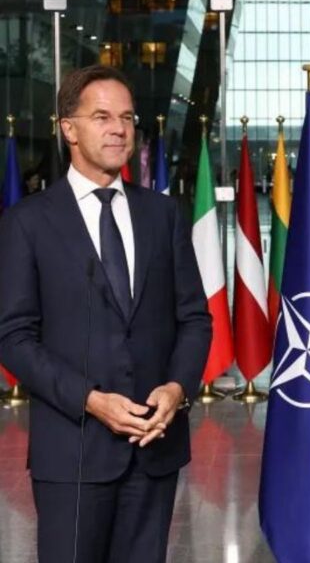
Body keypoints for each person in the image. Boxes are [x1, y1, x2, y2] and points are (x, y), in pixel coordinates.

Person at [0, 65, 211, 563]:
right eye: (101, 117)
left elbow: (195, 319)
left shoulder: (163, 215)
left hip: (155, 451)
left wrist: (176, 389)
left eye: (126, 117)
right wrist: (92, 401)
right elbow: (13, 337)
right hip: (72, 453)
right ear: (68, 129)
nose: (118, 128)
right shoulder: (27, 222)